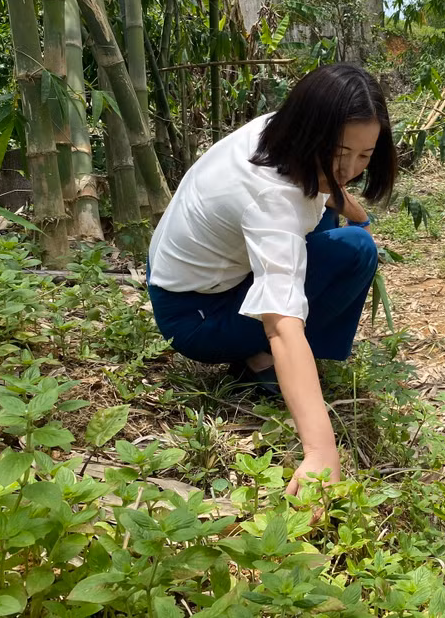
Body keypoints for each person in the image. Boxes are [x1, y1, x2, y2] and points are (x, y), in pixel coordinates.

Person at [147, 64, 397, 495]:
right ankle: (262, 361)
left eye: (364, 156)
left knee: (336, 226)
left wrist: (351, 206)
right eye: (341, 153)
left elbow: (324, 187)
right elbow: (281, 323)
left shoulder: (277, 130)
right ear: (310, 131)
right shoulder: (271, 198)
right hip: (194, 315)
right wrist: (320, 452)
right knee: (356, 250)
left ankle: (279, 361)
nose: (350, 169)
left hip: (183, 272)